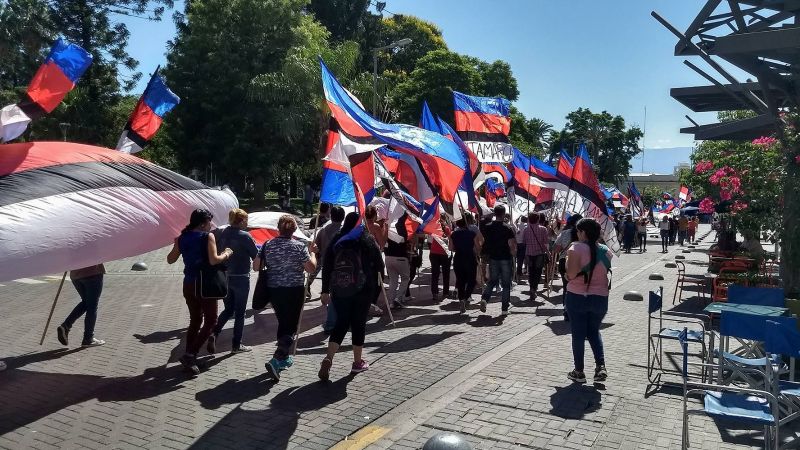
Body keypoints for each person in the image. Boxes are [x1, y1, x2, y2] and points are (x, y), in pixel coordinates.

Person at [318, 213, 385, 380]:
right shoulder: (366, 238)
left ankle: (329, 358)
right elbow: (379, 265)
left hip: (340, 289)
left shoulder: (337, 239)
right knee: (358, 324)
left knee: (341, 323)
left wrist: (325, 290)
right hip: (363, 290)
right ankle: (357, 362)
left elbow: (326, 266)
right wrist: (375, 291)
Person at [167, 209, 233, 374]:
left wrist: (178, 244)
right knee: (211, 320)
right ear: (203, 223)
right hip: (205, 284)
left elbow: (170, 259)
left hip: (188, 283)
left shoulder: (183, 237)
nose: (211, 225)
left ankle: (190, 358)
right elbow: (213, 260)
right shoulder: (207, 236)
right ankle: (190, 354)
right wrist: (226, 253)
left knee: (195, 320)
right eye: (209, 222)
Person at [252, 215, 316, 381]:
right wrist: (313, 254)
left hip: (274, 290)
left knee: (283, 321)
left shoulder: (267, 245)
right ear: (294, 230)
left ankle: (283, 358)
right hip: (294, 289)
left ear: (278, 229)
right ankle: (277, 357)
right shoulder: (299, 246)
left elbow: (256, 266)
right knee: (292, 325)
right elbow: (310, 268)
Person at [564, 218, 613, 384]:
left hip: (577, 296)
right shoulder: (606, 251)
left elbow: (570, 275)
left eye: (578, 231)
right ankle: (600, 367)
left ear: (583, 232)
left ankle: (579, 371)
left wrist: (565, 271)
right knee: (594, 331)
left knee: (578, 334)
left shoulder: (576, 247)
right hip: (600, 298)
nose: (577, 234)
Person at [209, 209, 258, 354]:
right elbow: (255, 255)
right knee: (240, 313)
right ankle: (236, 345)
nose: (247, 223)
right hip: (241, 277)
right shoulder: (245, 236)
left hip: (225, 276)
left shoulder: (222, 233)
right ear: (241, 220)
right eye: (246, 220)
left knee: (228, 309)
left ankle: (214, 333)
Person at [309, 206, 345, 332]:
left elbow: (316, 247)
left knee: (332, 294)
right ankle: (333, 322)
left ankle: (332, 322)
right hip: (343, 267)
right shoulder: (344, 231)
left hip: (327, 266)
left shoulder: (323, 230)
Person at [57, 264, 107, 348]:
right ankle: (88, 338)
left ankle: (66, 326)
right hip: (92, 272)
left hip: (76, 274)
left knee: (86, 303)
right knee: (92, 306)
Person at [480, 205, 516, 315]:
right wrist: (514, 253)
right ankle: (504, 308)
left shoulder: (487, 227)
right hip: (505, 257)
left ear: (495, 214)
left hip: (493, 257)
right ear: (504, 214)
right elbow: (511, 245)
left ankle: (485, 299)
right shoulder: (508, 228)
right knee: (506, 284)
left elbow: (482, 241)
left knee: (492, 280)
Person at [449, 218, 482, 313]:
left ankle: (461, 300)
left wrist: (458, 248)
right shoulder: (472, 234)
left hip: (458, 258)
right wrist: (478, 253)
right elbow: (478, 247)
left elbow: (451, 248)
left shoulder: (453, 234)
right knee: (471, 280)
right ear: (467, 224)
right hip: (470, 258)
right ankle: (467, 296)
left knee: (460, 281)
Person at [384, 217, 411, 309]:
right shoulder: (403, 231)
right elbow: (405, 242)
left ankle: (391, 302)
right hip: (401, 258)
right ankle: (398, 298)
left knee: (393, 281)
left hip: (388, 258)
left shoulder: (387, 229)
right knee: (405, 279)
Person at [523, 212, 550, 301]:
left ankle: (531, 288)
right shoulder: (543, 229)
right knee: (538, 272)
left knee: (531, 272)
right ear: (538, 219)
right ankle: (534, 289)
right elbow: (545, 243)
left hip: (529, 253)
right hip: (539, 253)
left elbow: (524, 242)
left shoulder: (526, 229)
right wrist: (548, 252)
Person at [429, 218, 452, 301]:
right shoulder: (447, 229)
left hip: (434, 252)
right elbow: (450, 240)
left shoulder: (433, 228)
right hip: (444, 253)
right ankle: (445, 292)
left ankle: (434, 293)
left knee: (435, 274)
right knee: (446, 274)